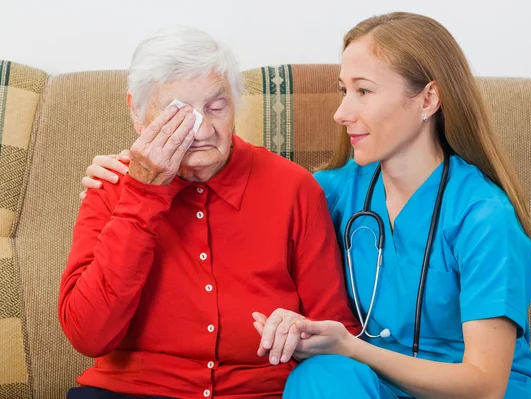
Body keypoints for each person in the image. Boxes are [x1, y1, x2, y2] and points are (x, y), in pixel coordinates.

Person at [81, 12, 531, 399]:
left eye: (362, 91)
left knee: (332, 369)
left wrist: (347, 346)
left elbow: (484, 384)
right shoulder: (333, 191)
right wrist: (129, 174)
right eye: (343, 89)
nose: (341, 112)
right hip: (372, 386)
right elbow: (252, 194)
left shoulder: (483, 215)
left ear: (428, 98)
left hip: (469, 391)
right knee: (321, 377)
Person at [59, 26, 359, 399]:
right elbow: (88, 335)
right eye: (177, 113)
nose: (200, 129)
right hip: (134, 391)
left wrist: (301, 331)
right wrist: (143, 193)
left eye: (216, 107)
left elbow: (337, 333)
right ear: (137, 113)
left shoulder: (294, 188)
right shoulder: (112, 187)